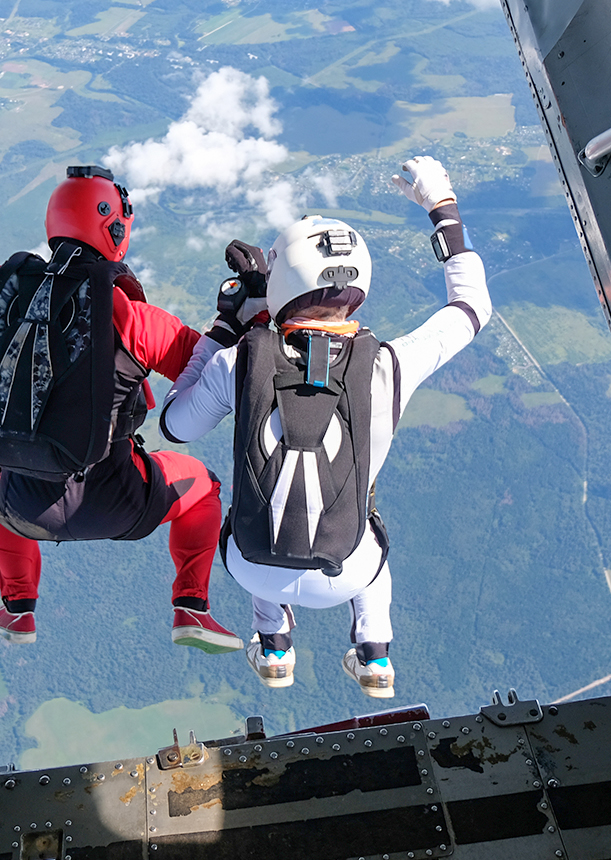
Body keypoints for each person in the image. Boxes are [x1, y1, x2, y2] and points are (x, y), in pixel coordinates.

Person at [0, 122, 254, 653]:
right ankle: (191, 608)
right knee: (203, 485)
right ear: (114, 231)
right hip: (119, 502)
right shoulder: (133, 317)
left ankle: (18, 608)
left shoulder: (1, 288)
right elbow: (215, 373)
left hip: (19, 507)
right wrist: (255, 311)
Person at [159, 156, 490, 697]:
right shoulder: (389, 366)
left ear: (282, 286)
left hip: (250, 566)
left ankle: (274, 649)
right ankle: (375, 657)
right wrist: (442, 209)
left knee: (262, 510)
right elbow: (473, 306)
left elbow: (175, 426)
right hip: (348, 572)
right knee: (372, 548)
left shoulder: (237, 361)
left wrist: (227, 326)